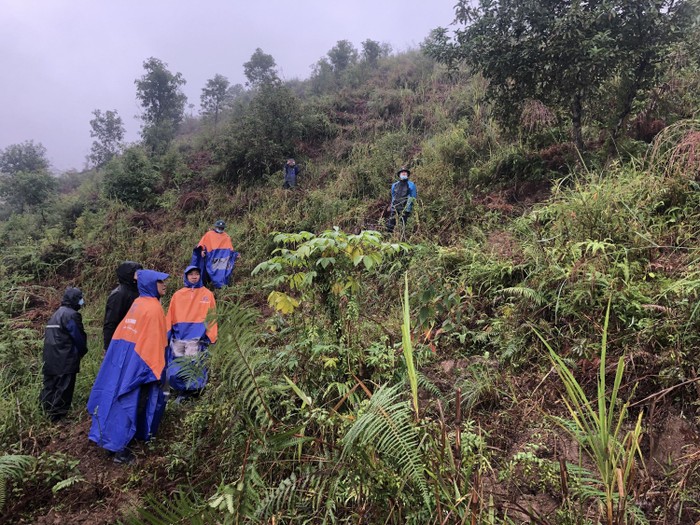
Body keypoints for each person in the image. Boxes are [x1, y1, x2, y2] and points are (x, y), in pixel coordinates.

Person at [87, 269, 169, 464]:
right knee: (131, 402)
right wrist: (155, 370)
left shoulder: (138, 304)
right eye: (160, 282)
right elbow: (155, 343)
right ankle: (120, 450)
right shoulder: (153, 308)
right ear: (150, 284)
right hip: (138, 365)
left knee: (116, 399)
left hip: (124, 362)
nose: (165, 285)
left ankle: (110, 442)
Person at [165, 266, 217, 400]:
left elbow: (212, 316)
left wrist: (212, 336)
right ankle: (181, 391)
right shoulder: (177, 295)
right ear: (186, 276)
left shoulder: (207, 294)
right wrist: (166, 334)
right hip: (180, 337)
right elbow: (170, 316)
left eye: (196, 274)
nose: (194, 276)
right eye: (191, 274)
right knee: (177, 366)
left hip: (198, 338)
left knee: (195, 365)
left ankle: (193, 393)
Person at [40, 287, 88, 421]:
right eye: (80, 298)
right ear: (74, 300)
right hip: (65, 357)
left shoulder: (56, 314)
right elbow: (78, 337)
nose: (82, 301)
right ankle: (58, 417)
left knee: (50, 386)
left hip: (50, 357)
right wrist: (82, 351)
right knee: (64, 388)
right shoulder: (72, 315)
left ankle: (46, 414)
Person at [103, 261, 143, 351]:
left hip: (135, 337)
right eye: (137, 272)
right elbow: (110, 322)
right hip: (121, 337)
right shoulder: (118, 294)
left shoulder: (139, 291)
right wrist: (108, 347)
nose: (139, 275)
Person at [190, 220, 239, 289]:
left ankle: (220, 286)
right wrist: (202, 250)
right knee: (206, 270)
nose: (220, 230)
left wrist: (235, 254)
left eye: (222, 228)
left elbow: (230, 249)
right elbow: (202, 244)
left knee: (220, 272)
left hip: (221, 259)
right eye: (219, 228)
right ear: (216, 227)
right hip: (210, 257)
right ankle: (204, 284)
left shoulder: (226, 236)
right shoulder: (209, 234)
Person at [386, 167, 417, 234]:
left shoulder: (411, 185)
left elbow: (413, 197)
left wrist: (408, 208)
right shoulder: (394, 185)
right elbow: (393, 196)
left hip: (405, 209)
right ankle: (388, 238)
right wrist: (392, 206)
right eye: (402, 172)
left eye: (405, 172)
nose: (403, 173)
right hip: (395, 208)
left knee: (402, 226)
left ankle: (401, 240)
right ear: (399, 175)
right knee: (390, 225)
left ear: (407, 175)